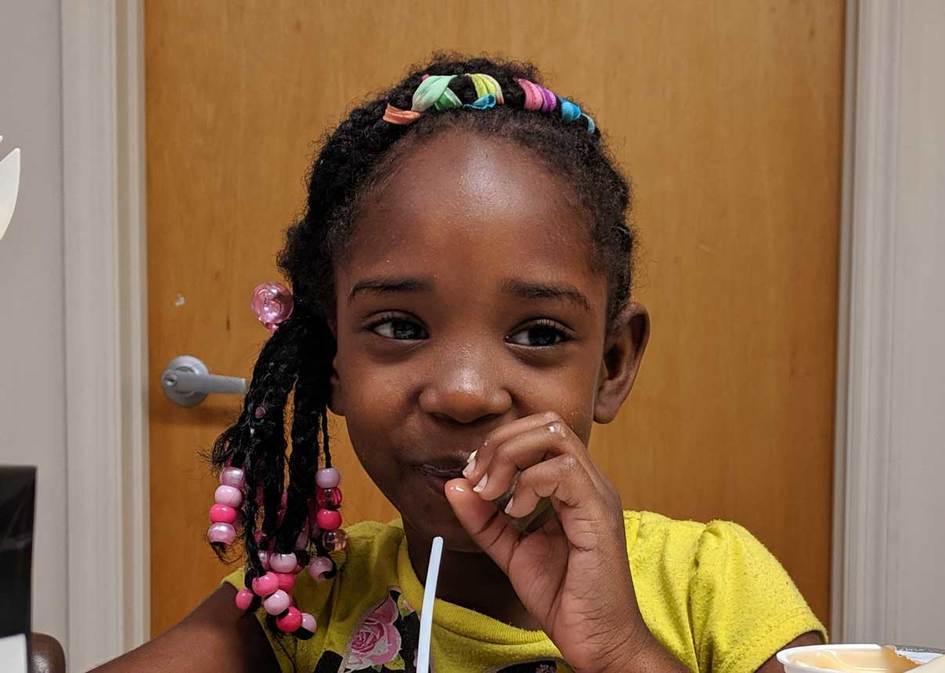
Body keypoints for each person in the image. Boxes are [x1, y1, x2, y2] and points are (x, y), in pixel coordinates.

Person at [93, 55, 824, 673]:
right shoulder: (303, 594)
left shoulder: (712, 587)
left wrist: (619, 648)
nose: (466, 393)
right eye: (400, 325)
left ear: (612, 362)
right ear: (333, 362)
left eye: (538, 334)